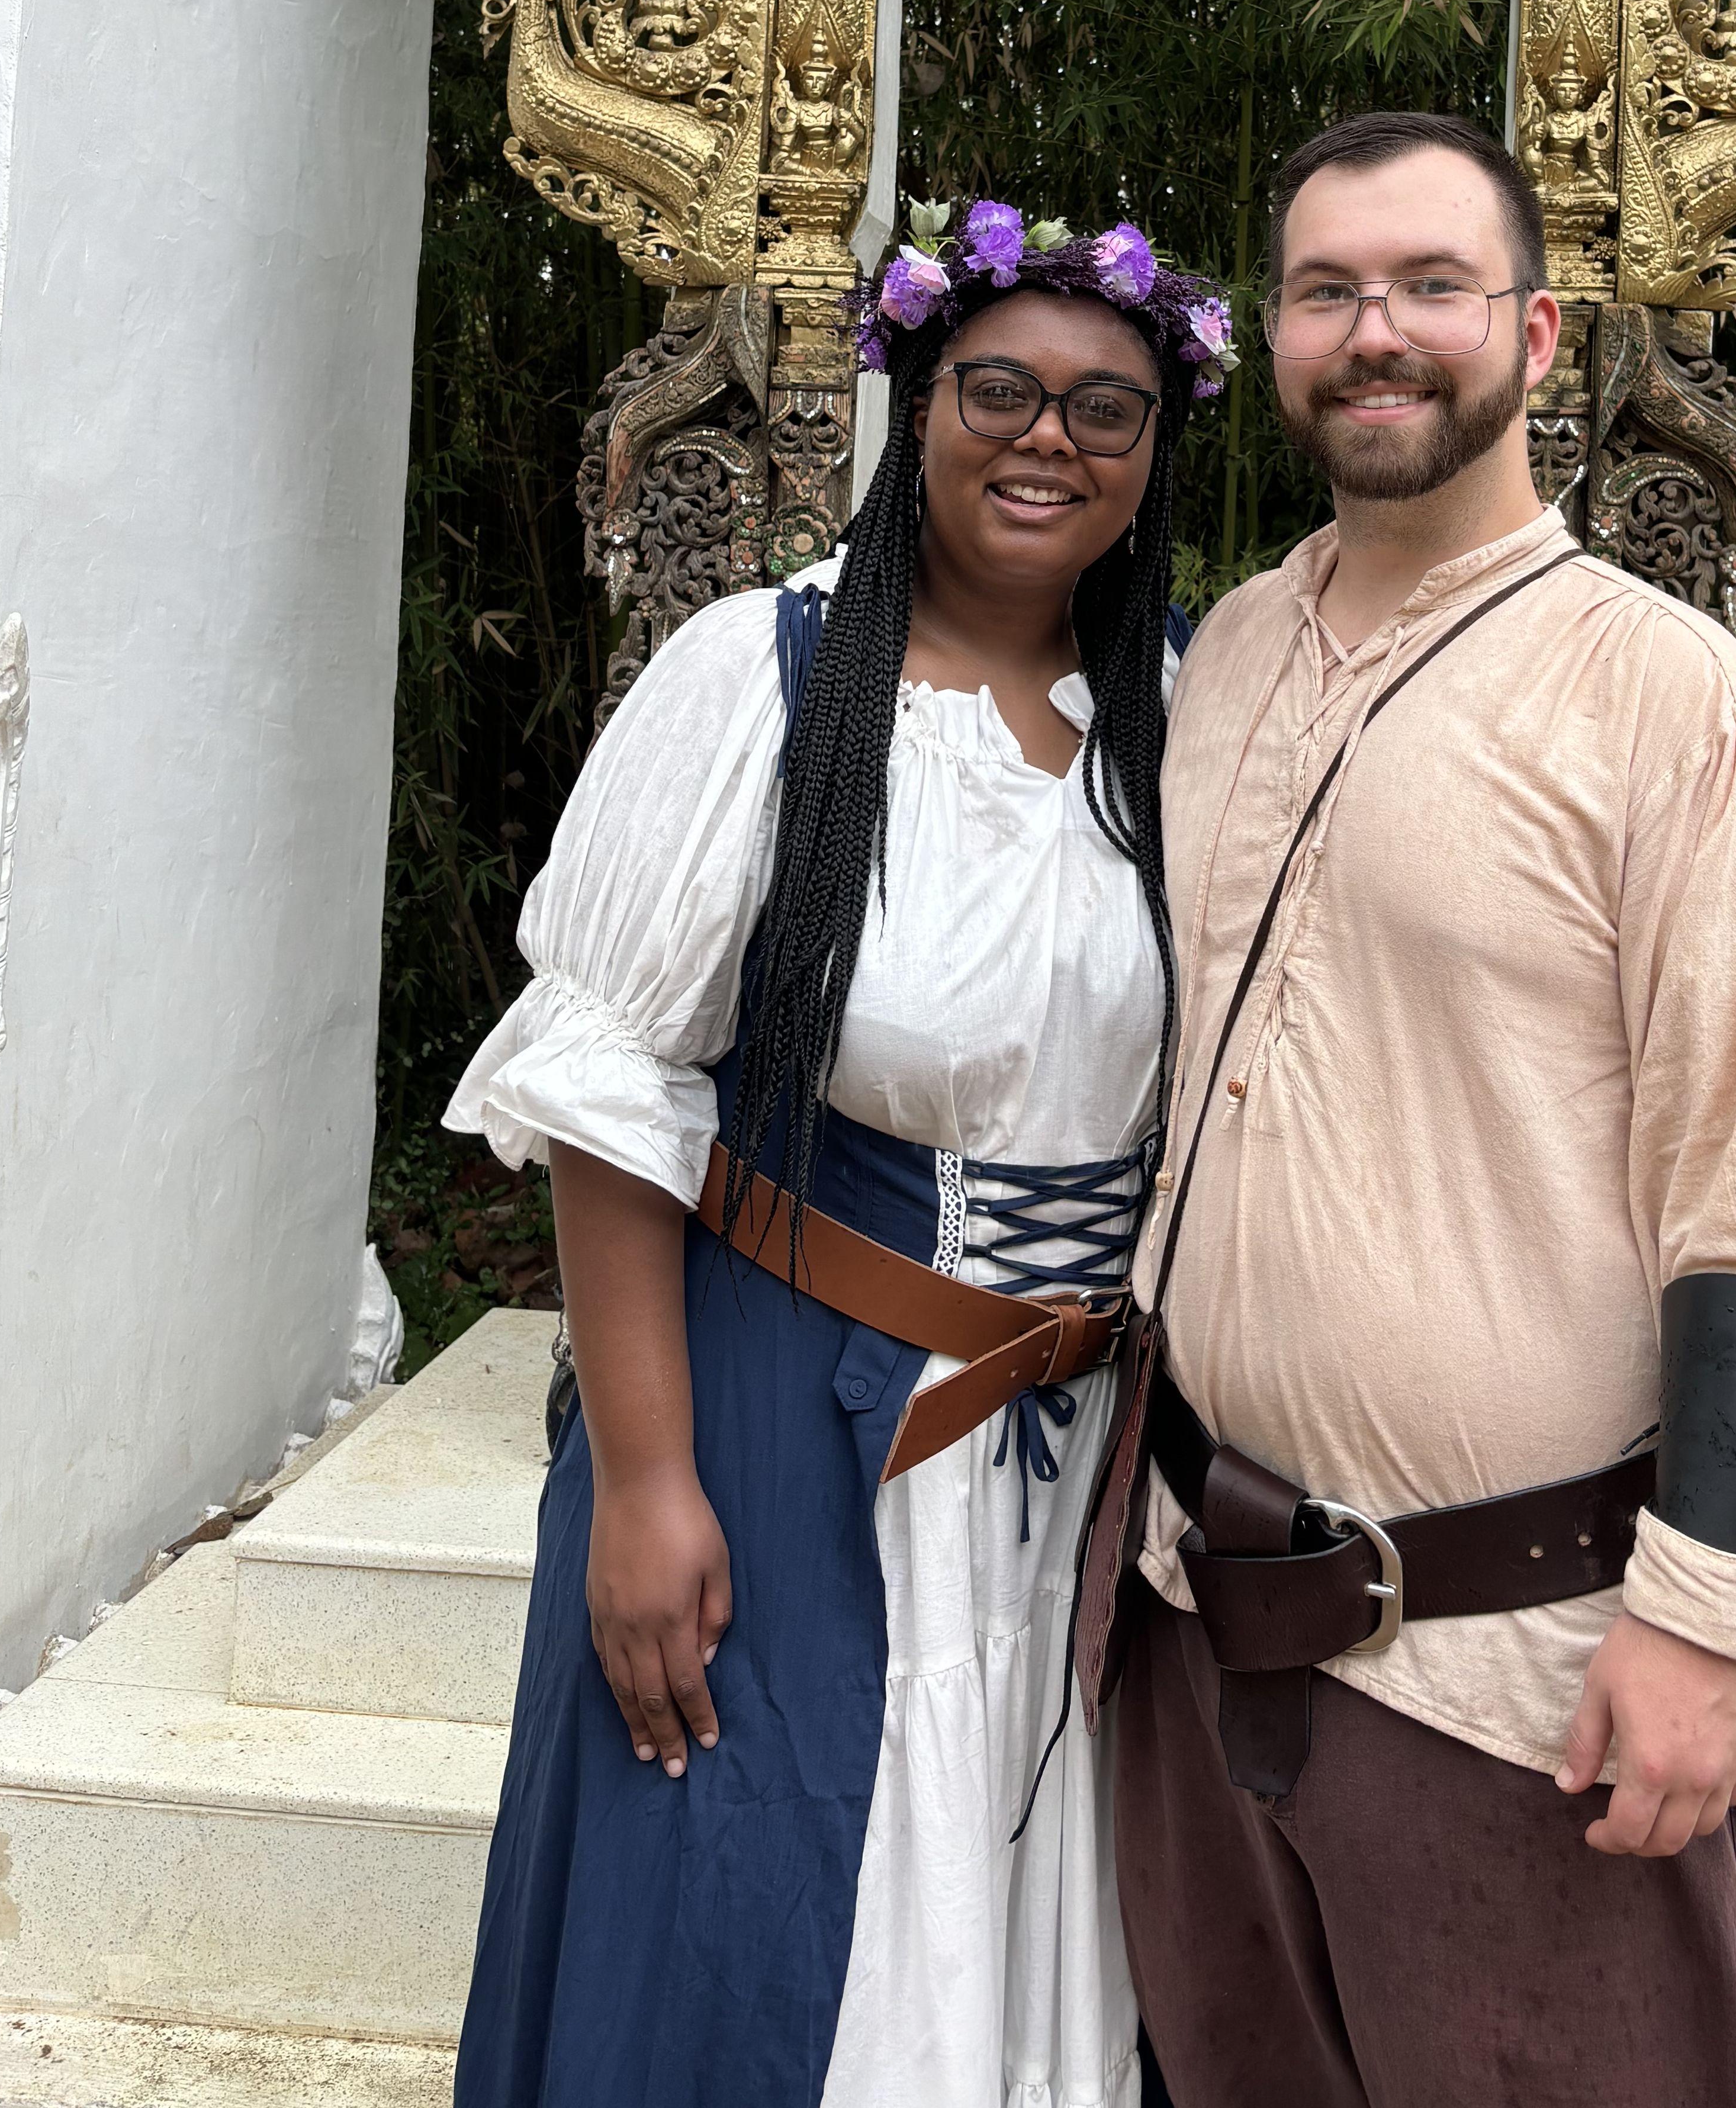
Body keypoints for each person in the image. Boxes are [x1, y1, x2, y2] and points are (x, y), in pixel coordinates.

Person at [1091, 111, 1736, 2108]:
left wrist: (1707, 1623)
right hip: (1195, 1616)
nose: (1376, 332)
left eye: (1431, 286)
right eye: (1326, 291)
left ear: (1536, 335)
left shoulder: (1668, 698)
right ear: (1275, 337)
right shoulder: (1230, 653)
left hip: (1507, 1666)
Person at [448, 195, 1237, 2108]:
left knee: (1052, 1918)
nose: (1048, 440)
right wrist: (647, 1481)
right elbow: (613, 1097)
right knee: (744, 1910)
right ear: (917, 403)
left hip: (1081, 1471)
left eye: (1107, 409)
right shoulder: (765, 678)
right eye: (999, 390)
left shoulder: (1193, 714)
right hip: (789, 1420)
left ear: (1154, 453)